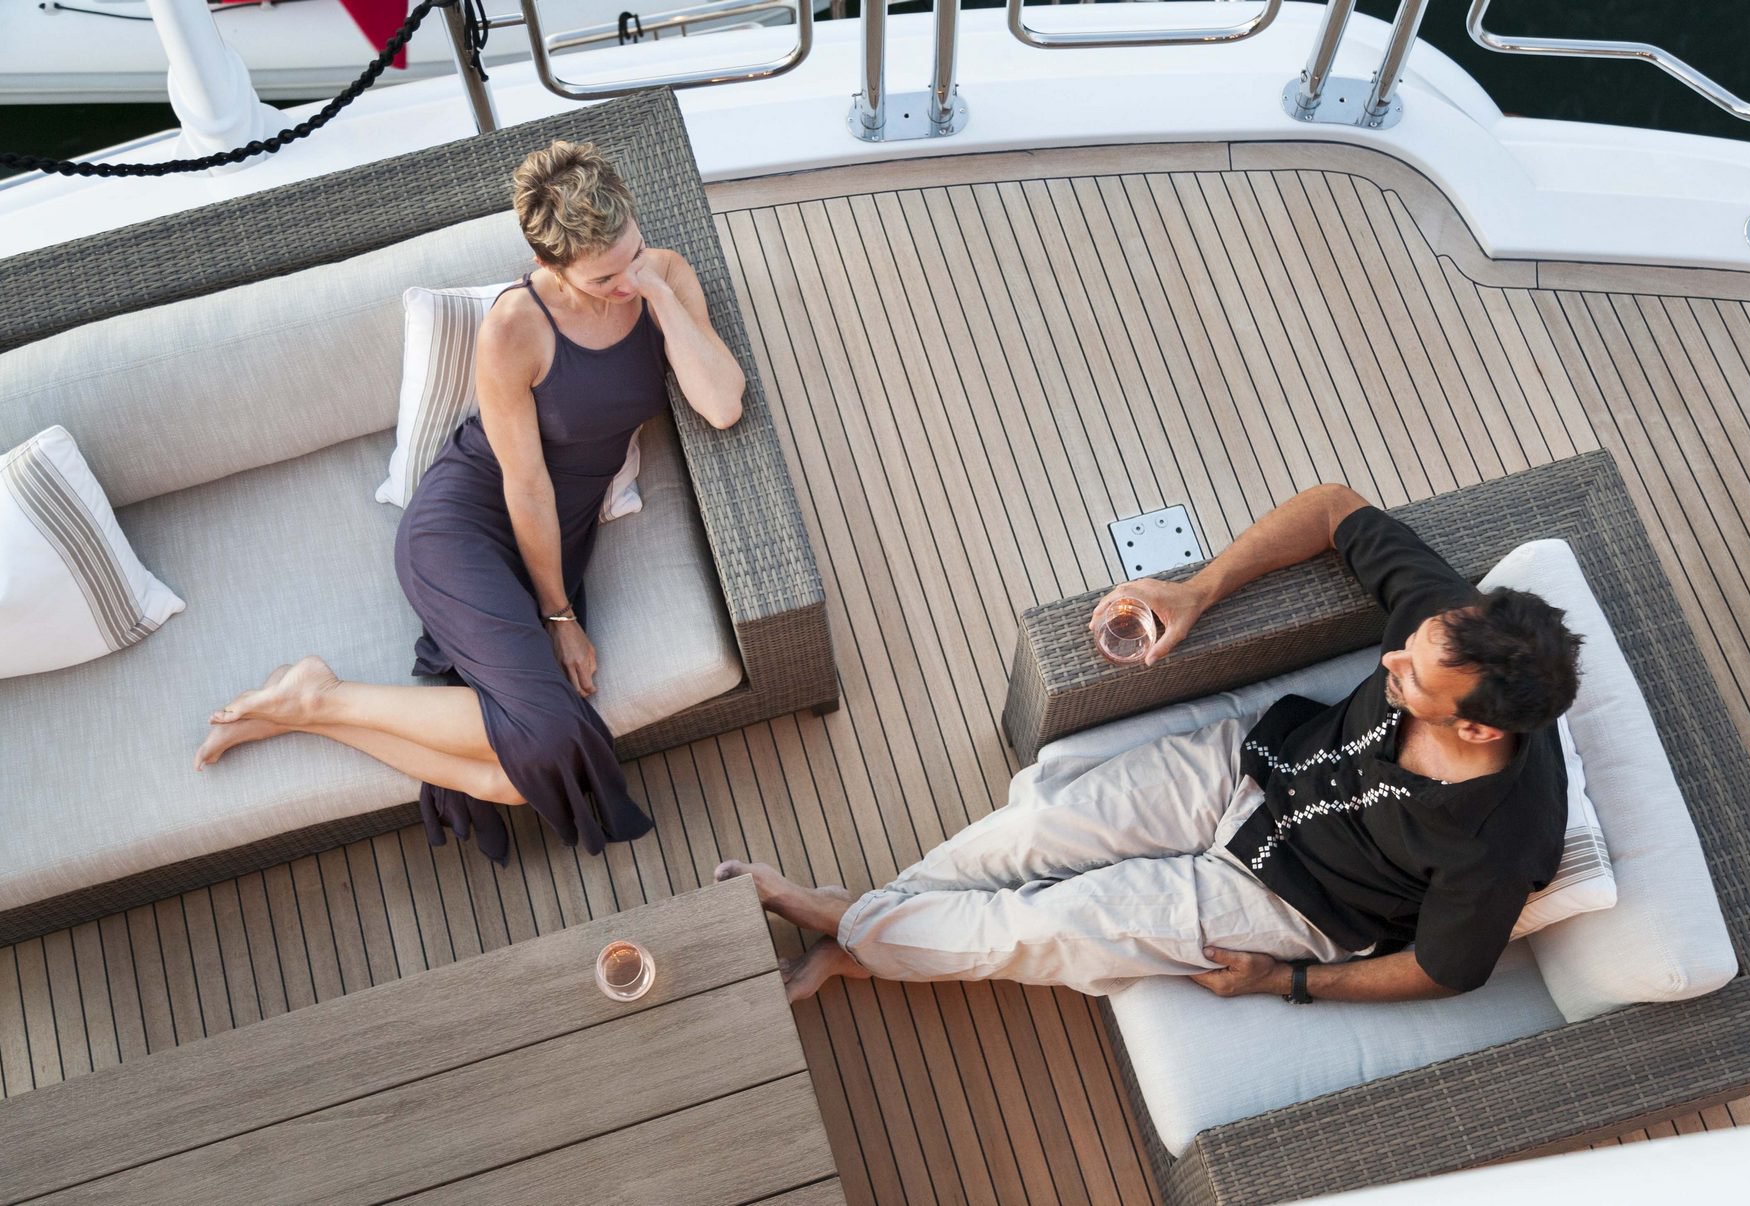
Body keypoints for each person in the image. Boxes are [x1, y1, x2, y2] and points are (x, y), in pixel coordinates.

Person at [718, 483, 1583, 1004]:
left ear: (1476, 727)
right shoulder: (1450, 620)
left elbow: (1443, 971)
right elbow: (1330, 508)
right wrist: (1196, 591)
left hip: (1291, 900)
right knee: (1033, 831)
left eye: (1411, 675)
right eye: (1406, 647)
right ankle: (869, 938)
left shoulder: (1501, 841)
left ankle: (847, 927)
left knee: (1047, 924)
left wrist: (1285, 981)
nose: (1390, 658)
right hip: (1250, 767)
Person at [194, 140, 746, 865]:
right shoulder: (515, 328)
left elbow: (722, 405)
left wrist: (659, 293)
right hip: (467, 527)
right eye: (604, 276)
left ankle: (308, 708)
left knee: (512, 780)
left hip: (557, 534)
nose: (625, 282)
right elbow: (526, 485)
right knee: (552, 737)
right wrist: (559, 616)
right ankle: (319, 695)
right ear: (549, 263)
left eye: (632, 255)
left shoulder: (662, 276)